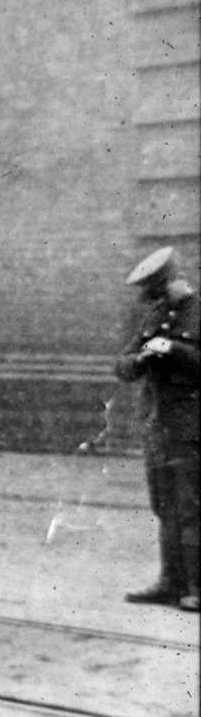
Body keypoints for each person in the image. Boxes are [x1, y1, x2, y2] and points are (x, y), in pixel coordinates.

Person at [116, 246, 199, 613]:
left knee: (190, 508)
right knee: (164, 506)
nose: (151, 298)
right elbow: (121, 365)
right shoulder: (154, 315)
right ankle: (170, 582)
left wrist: (175, 350)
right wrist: (140, 358)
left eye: (156, 289)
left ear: (171, 281)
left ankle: (196, 587)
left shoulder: (198, 313)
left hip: (189, 426)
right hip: (157, 426)